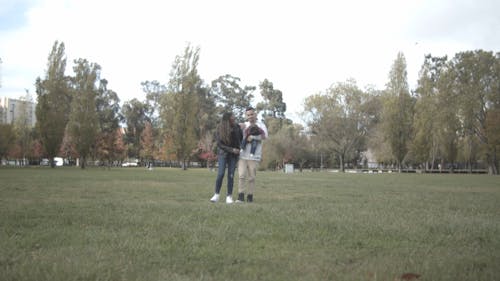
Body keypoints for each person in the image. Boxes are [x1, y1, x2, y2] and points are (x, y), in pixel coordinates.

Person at [236, 107, 268, 203]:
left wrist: (253, 137)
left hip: (254, 156)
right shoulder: (244, 125)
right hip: (242, 155)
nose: (250, 116)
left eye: (252, 114)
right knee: (241, 175)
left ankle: (250, 196)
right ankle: (240, 196)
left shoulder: (261, 125)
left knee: (252, 177)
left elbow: (265, 136)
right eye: (248, 115)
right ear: (246, 116)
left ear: (255, 114)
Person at [210, 112, 243, 204]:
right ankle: (216, 195)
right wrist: (232, 149)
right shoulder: (220, 129)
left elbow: (240, 139)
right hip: (223, 154)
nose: (234, 118)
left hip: (233, 155)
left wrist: (238, 149)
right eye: (233, 117)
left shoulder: (237, 127)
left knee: (231, 175)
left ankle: (229, 196)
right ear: (228, 119)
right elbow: (220, 145)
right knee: (220, 174)